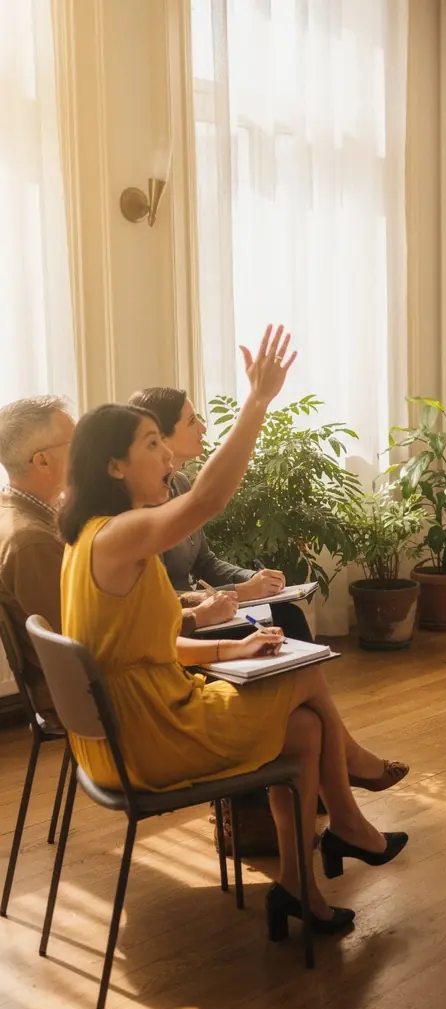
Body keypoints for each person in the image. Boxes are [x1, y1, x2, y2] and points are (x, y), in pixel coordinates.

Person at [58, 327, 408, 936]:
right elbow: (207, 501)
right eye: (151, 445)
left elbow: (142, 645)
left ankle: (301, 882)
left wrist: (233, 645)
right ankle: (350, 793)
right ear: (114, 465)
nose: (168, 457)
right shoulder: (118, 536)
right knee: (305, 669)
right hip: (149, 736)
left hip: (126, 729)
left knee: (303, 730)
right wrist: (257, 402)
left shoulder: (90, 537)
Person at [128, 386, 314, 642]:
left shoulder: (180, 483)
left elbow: (205, 562)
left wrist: (254, 579)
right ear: (161, 437)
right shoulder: (139, 504)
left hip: (205, 607)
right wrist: (242, 592)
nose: (203, 428)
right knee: (287, 620)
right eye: (192, 421)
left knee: (286, 613)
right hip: (182, 621)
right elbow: (161, 597)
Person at [0, 396, 76, 719]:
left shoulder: (21, 515)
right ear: (42, 461)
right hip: (81, 695)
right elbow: (76, 635)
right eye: (75, 444)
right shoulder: (30, 540)